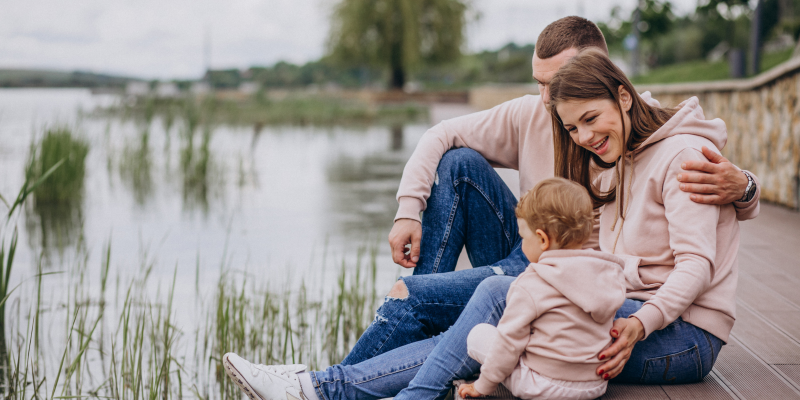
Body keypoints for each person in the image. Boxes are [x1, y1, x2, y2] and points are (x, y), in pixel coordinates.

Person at [220, 16, 761, 400]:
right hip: (589, 286)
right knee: (465, 228)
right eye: (551, 97)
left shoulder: (667, 152)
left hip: (669, 327)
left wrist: (745, 188)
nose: (561, 114)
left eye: (577, 106)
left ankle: (326, 387)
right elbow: (441, 135)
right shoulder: (595, 137)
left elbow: (695, 260)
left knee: (499, 308)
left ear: (613, 85)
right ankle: (326, 387)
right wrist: (408, 208)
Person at [457, 177, 626, 400]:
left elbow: (508, 343)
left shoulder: (532, 282)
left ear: (542, 239)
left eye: (523, 237)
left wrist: (482, 386)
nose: (522, 245)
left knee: (479, 335)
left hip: (542, 385)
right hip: (593, 386)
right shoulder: (606, 274)